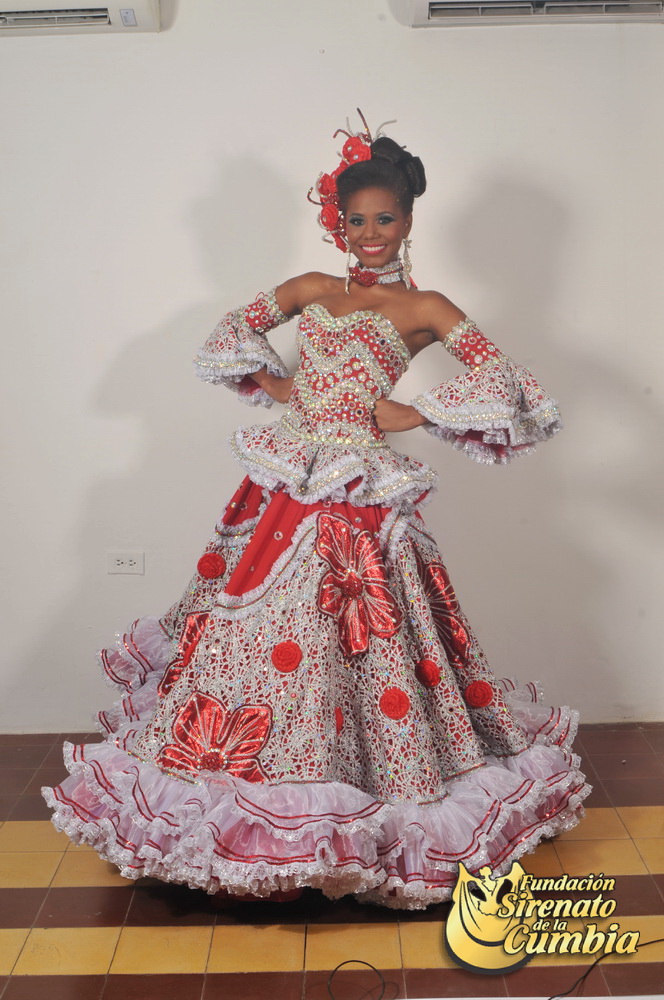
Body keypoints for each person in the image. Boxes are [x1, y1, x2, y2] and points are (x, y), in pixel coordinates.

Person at [43, 117, 589, 910]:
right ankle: (249, 805)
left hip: (360, 493)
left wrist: (418, 412)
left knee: (360, 636)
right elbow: (231, 332)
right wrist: (278, 387)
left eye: (385, 219)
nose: (370, 234)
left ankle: (353, 800)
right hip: (284, 486)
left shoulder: (426, 306)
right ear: (339, 222)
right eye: (356, 220)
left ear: (409, 219)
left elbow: (509, 384)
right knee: (250, 635)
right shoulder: (307, 289)